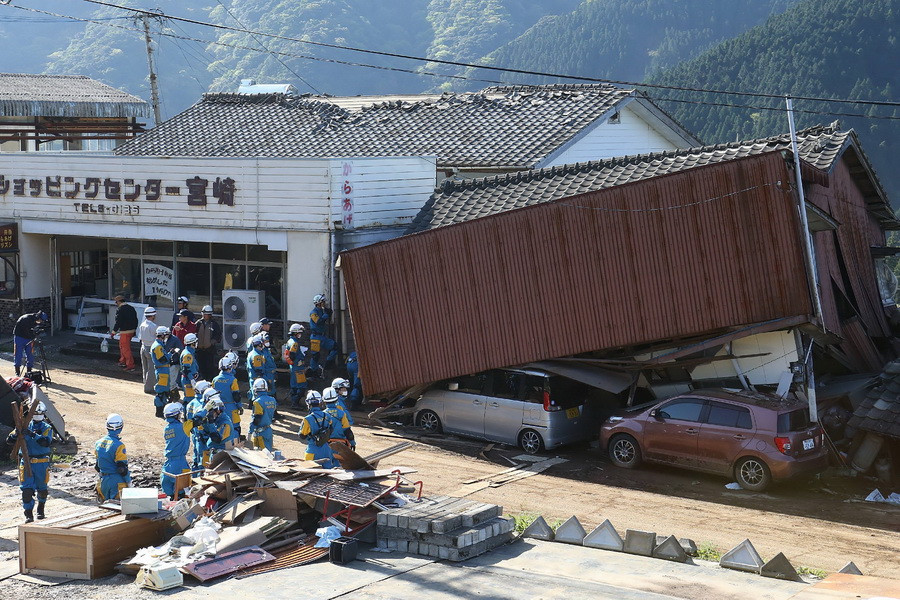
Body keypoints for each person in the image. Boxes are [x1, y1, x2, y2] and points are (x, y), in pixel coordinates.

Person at [5, 402, 52, 522]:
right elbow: (9, 441)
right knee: (26, 491)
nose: (37, 416)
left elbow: (45, 442)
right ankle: (28, 515)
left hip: (41, 463)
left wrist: (32, 435)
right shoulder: (23, 426)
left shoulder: (47, 428)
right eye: (35, 413)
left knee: (42, 490)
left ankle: (41, 508)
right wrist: (16, 433)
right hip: (25, 463)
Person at [94, 413, 131, 502]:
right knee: (118, 510)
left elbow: (97, 466)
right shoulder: (119, 446)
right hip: (117, 482)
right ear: (121, 427)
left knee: (105, 508)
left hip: (103, 482)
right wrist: (129, 482)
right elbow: (122, 469)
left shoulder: (98, 443)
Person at [298, 390, 338, 468]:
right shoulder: (327, 416)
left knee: (310, 471)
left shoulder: (307, 419)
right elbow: (331, 429)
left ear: (308, 403)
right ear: (320, 402)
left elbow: (302, 436)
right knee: (328, 474)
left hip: (313, 449)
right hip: (326, 449)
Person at [161, 402, 191, 499]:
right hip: (180, 463)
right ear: (176, 414)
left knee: (169, 494)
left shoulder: (167, 428)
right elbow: (196, 421)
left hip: (168, 464)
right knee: (182, 493)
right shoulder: (184, 427)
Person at [200, 391, 237, 467]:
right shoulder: (216, 420)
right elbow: (207, 432)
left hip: (222, 456)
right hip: (214, 452)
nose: (209, 414)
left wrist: (210, 423)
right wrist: (204, 423)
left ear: (218, 411)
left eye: (211, 412)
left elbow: (217, 439)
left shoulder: (225, 423)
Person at [212, 353, 243, 438]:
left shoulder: (215, 379)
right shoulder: (233, 380)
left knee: (220, 426)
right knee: (235, 427)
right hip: (231, 407)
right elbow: (236, 396)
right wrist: (240, 406)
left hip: (218, 407)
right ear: (230, 367)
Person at [12, 310, 47, 377]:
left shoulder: (36, 320)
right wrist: (33, 336)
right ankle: (17, 372)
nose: (41, 322)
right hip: (20, 337)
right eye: (41, 320)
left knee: (30, 354)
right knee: (18, 354)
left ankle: (29, 372)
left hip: (29, 337)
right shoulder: (26, 319)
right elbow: (27, 331)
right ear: (38, 318)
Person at [151, 326, 175, 419]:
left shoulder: (159, 345)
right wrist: (170, 354)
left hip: (163, 370)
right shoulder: (158, 346)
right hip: (162, 371)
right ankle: (159, 412)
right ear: (162, 335)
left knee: (164, 391)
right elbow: (162, 359)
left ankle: (162, 410)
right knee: (161, 392)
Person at [309, 294, 337, 375]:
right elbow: (318, 321)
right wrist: (326, 315)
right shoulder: (313, 313)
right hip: (316, 337)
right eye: (323, 302)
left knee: (335, 347)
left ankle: (328, 364)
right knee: (316, 356)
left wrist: (328, 313)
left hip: (322, 336)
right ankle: (313, 372)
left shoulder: (322, 310)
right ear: (318, 303)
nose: (324, 303)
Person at [185, 380, 210, 472]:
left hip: (195, 435)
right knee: (204, 459)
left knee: (196, 456)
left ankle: (194, 476)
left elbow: (189, 419)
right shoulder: (203, 404)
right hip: (203, 436)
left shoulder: (191, 403)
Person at [110, 295, 138, 372]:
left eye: (116, 302)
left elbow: (118, 322)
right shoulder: (131, 308)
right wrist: (134, 330)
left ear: (119, 301)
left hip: (125, 331)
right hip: (131, 331)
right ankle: (123, 361)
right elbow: (136, 320)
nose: (116, 303)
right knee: (123, 347)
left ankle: (130, 365)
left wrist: (113, 332)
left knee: (125, 349)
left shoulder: (120, 309)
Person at [284, 323, 309, 409]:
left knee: (294, 385)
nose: (300, 335)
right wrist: (297, 361)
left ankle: (294, 402)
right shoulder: (294, 343)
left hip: (293, 367)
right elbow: (292, 355)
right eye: (299, 333)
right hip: (298, 367)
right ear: (296, 333)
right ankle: (295, 403)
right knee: (302, 386)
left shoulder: (290, 341)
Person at [248, 378, 277, 451]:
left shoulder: (257, 402)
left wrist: (250, 431)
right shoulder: (272, 400)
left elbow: (257, 419)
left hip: (260, 433)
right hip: (268, 430)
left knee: (260, 456)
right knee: (269, 453)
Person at [194, 305, 222, 380]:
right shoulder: (198, 323)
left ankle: (209, 381)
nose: (203, 315)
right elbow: (194, 333)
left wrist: (211, 342)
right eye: (203, 313)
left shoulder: (214, 324)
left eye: (205, 313)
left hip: (209, 350)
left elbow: (218, 335)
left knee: (210, 368)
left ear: (209, 315)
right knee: (200, 367)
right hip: (199, 350)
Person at [137, 306, 159, 394]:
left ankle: (145, 384)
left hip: (143, 347)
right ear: (153, 315)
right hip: (151, 348)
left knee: (145, 368)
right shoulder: (153, 326)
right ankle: (149, 388)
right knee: (151, 369)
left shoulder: (142, 324)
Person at [246, 335, 267, 407]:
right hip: (257, 379)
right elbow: (259, 370)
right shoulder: (256, 355)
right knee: (257, 397)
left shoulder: (251, 353)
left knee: (253, 394)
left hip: (253, 377)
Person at [179, 333, 200, 402]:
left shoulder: (188, 352)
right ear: (192, 343)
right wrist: (192, 380)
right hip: (189, 380)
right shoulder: (188, 354)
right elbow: (186, 369)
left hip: (189, 379)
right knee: (190, 399)